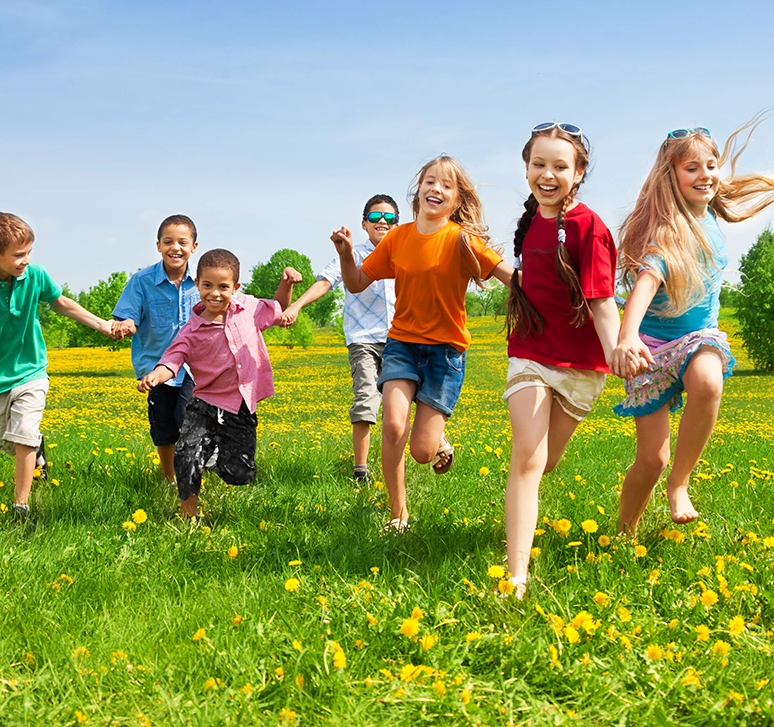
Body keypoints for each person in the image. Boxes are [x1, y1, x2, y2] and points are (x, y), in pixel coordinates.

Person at [610, 118, 774, 535]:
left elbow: (726, 192)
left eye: (711, 165)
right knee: (651, 460)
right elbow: (646, 283)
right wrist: (627, 337)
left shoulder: (710, 211)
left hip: (698, 338)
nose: (705, 175)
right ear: (671, 176)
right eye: (692, 168)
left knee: (708, 381)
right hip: (650, 348)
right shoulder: (665, 232)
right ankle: (622, 533)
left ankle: (680, 485)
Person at [333, 155, 513, 531]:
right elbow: (356, 282)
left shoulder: (462, 240)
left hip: (445, 354)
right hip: (402, 344)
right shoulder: (398, 238)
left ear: (458, 199)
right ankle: (398, 514)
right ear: (419, 189)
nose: (436, 188)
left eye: (447, 185)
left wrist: (559, 291)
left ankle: (438, 441)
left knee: (421, 451)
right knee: (393, 425)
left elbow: (509, 277)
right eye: (430, 181)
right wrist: (346, 254)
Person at [501, 123, 620, 598]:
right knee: (528, 457)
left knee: (545, 463)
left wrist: (618, 353)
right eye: (539, 164)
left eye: (559, 166)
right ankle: (516, 575)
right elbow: (529, 282)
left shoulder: (590, 227)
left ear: (579, 172)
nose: (547, 175)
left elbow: (602, 303)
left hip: (582, 365)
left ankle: (520, 520)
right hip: (531, 352)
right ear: (527, 168)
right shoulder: (530, 222)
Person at [0, 212, 118, 521]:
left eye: (29, 252)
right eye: (18, 255)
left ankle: (21, 506)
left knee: (24, 434)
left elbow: (61, 302)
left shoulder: (35, 275)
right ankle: (37, 450)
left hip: (32, 371)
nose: (26, 260)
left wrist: (101, 325)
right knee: (11, 443)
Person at [135, 249, 301, 520]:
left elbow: (278, 309)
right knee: (186, 454)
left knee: (239, 473)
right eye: (207, 285)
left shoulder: (248, 309)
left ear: (235, 287)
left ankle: (211, 456)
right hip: (204, 403)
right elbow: (172, 360)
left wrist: (287, 284)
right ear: (197, 284)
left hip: (240, 405)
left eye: (223, 287)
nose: (214, 293)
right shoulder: (190, 330)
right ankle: (189, 517)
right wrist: (156, 375)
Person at [281, 195, 399, 482]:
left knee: (403, 401)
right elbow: (325, 282)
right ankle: (361, 471)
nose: (382, 222)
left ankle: (404, 462)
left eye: (390, 218)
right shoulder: (352, 255)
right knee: (366, 399)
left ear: (398, 224)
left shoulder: (404, 254)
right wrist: (296, 306)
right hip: (363, 340)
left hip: (399, 339)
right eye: (375, 217)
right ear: (364, 224)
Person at [109, 214, 200, 484]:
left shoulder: (202, 280)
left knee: (188, 416)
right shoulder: (142, 280)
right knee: (164, 426)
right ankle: (170, 480)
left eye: (182, 242)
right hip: (155, 367)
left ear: (194, 247)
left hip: (194, 367)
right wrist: (126, 325)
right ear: (158, 245)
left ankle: (193, 473)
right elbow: (129, 316)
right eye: (168, 241)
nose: (175, 248)